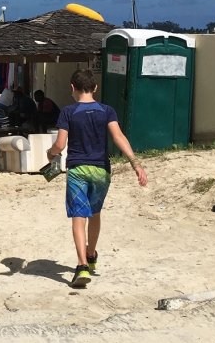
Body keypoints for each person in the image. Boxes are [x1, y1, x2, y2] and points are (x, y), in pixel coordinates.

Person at [45, 69, 148, 289]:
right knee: (95, 214)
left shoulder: (68, 112)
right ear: (95, 88)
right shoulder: (106, 111)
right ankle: (91, 254)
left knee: (78, 217)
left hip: (78, 170)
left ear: (72, 87)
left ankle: (82, 265)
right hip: (102, 171)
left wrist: (50, 153)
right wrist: (135, 164)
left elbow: (60, 144)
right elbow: (118, 136)